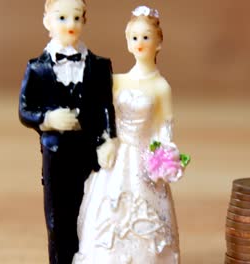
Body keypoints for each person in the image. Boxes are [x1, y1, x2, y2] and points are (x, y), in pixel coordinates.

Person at [73, 6, 181, 264]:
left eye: (146, 37)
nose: (140, 43)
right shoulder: (117, 80)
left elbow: (163, 128)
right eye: (134, 37)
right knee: (108, 207)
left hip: (143, 156)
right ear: (128, 42)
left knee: (145, 209)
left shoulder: (160, 86)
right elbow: (101, 114)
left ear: (159, 42)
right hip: (117, 154)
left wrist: (163, 157)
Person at [18, 0, 117, 263]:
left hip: (90, 153)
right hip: (56, 154)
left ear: (84, 21)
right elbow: (24, 110)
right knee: (58, 217)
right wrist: (47, 118)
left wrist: (109, 140)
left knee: (90, 211)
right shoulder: (37, 68)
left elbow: (107, 107)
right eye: (61, 17)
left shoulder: (99, 66)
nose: (70, 24)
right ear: (47, 22)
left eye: (76, 17)